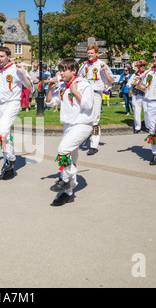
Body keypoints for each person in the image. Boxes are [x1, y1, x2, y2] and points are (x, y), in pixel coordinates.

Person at [0, 46, 33, 180]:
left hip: (13, 103)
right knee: (5, 134)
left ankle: (11, 159)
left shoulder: (17, 69)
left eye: (2, 56)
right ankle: (8, 167)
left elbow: (30, 87)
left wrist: (23, 74)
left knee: (2, 132)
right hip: (1, 104)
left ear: (9, 56)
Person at [46, 58, 94, 206]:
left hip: (82, 124)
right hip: (69, 126)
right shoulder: (63, 86)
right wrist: (50, 89)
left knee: (62, 150)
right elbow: (50, 103)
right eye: (60, 70)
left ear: (73, 70)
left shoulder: (84, 85)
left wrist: (75, 91)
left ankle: (65, 180)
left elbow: (88, 105)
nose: (60, 73)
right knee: (70, 158)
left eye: (63, 70)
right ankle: (68, 193)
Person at [78, 45, 114, 155]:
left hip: (96, 94)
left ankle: (94, 145)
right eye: (88, 53)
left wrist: (104, 71)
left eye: (92, 53)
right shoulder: (83, 65)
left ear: (97, 54)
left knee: (95, 120)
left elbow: (111, 81)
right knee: (84, 118)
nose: (90, 55)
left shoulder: (102, 65)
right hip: (85, 95)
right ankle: (87, 135)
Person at [129, 60, 149, 133]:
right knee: (137, 111)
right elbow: (129, 84)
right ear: (137, 67)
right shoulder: (134, 75)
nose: (143, 67)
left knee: (147, 111)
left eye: (144, 65)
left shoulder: (148, 74)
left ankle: (148, 126)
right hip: (137, 94)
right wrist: (133, 84)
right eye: (141, 65)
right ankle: (138, 127)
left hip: (146, 94)